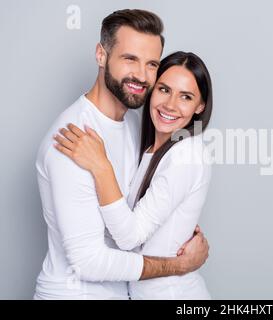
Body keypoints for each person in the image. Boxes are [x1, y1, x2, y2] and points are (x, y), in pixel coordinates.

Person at [34, 9, 209, 300]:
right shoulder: (73, 139)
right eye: (130, 59)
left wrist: (180, 229)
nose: (141, 76)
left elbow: (135, 219)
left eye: (151, 64)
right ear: (101, 55)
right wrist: (178, 265)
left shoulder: (135, 126)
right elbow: (88, 262)